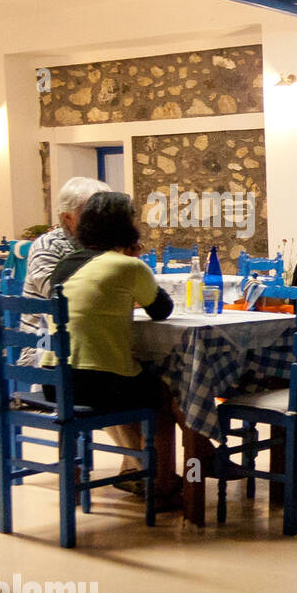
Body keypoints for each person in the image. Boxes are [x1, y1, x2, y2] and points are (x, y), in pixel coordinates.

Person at [49, 192, 182, 509]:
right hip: (95, 384)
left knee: (128, 375)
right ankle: (164, 481)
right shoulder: (127, 266)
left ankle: (134, 467)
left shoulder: (64, 265)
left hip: (56, 381)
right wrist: (130, 261)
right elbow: (162, 309)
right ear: (126, 227)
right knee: (163, 391)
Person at [20, 176, 111, 365]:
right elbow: (60, 298)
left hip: (89, 339)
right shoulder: (47, 247)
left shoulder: (103, 244)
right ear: (67, 217)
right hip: (45, 344)